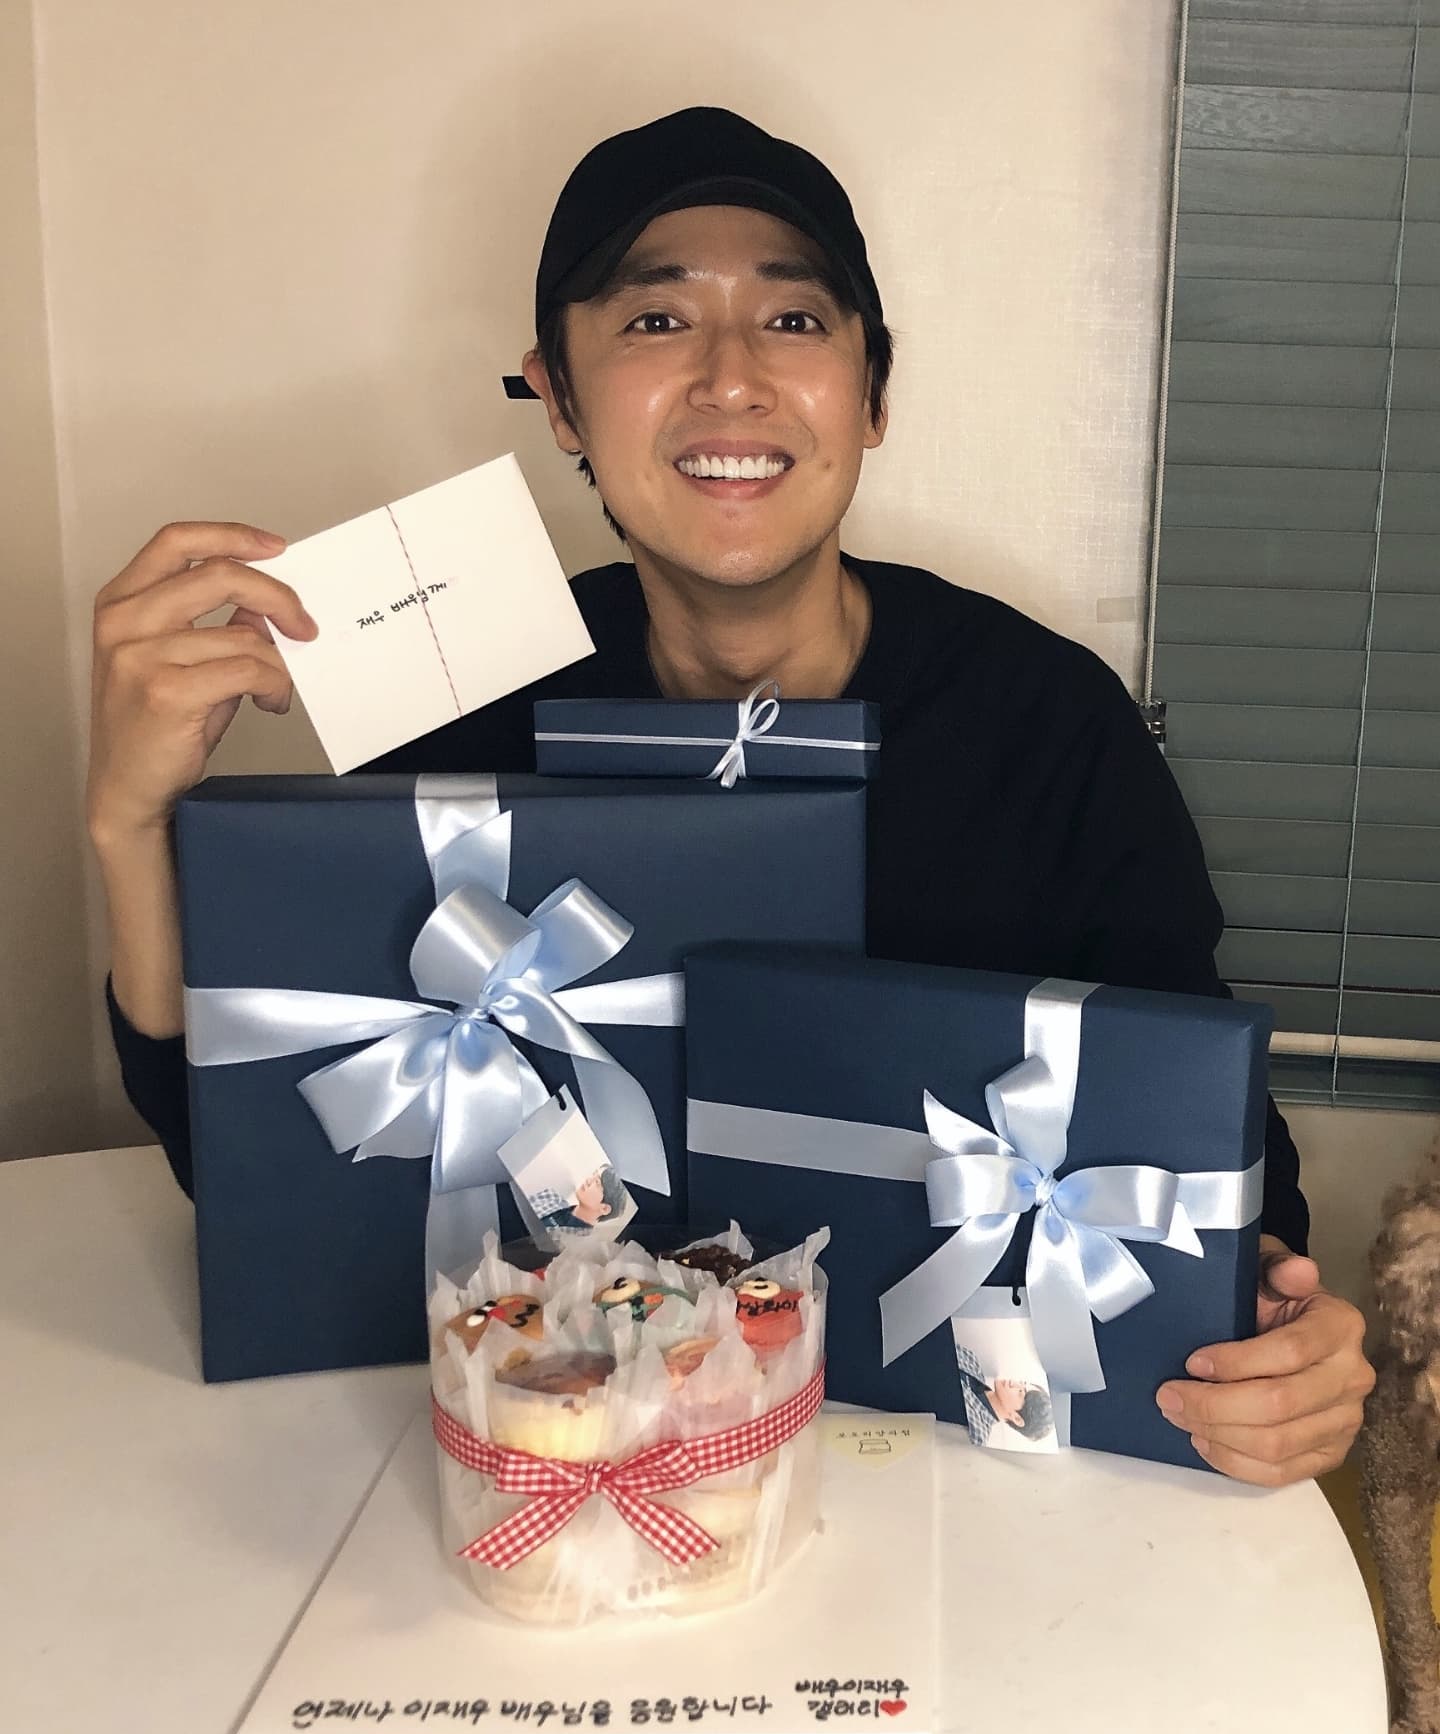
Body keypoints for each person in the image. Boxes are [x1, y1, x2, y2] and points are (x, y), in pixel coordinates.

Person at [89, 105, 1373, 1487]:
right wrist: (126, 827)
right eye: (655, 321)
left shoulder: (1047, 720)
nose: (731, 379)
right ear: (559, 398)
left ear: (872, 393)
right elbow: (263, 1177)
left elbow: (1204, 1134)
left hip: (958, 1470)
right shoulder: (458, 711)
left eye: (795, 320)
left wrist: (1275, 1338)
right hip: (557, 1448)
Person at [954, 1345, 1056, 1449]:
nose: (1012, 1382)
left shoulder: (975, 1435)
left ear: (1017, 1418)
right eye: (1022, 1383)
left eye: (1020, 1392)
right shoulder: (971, 1361)